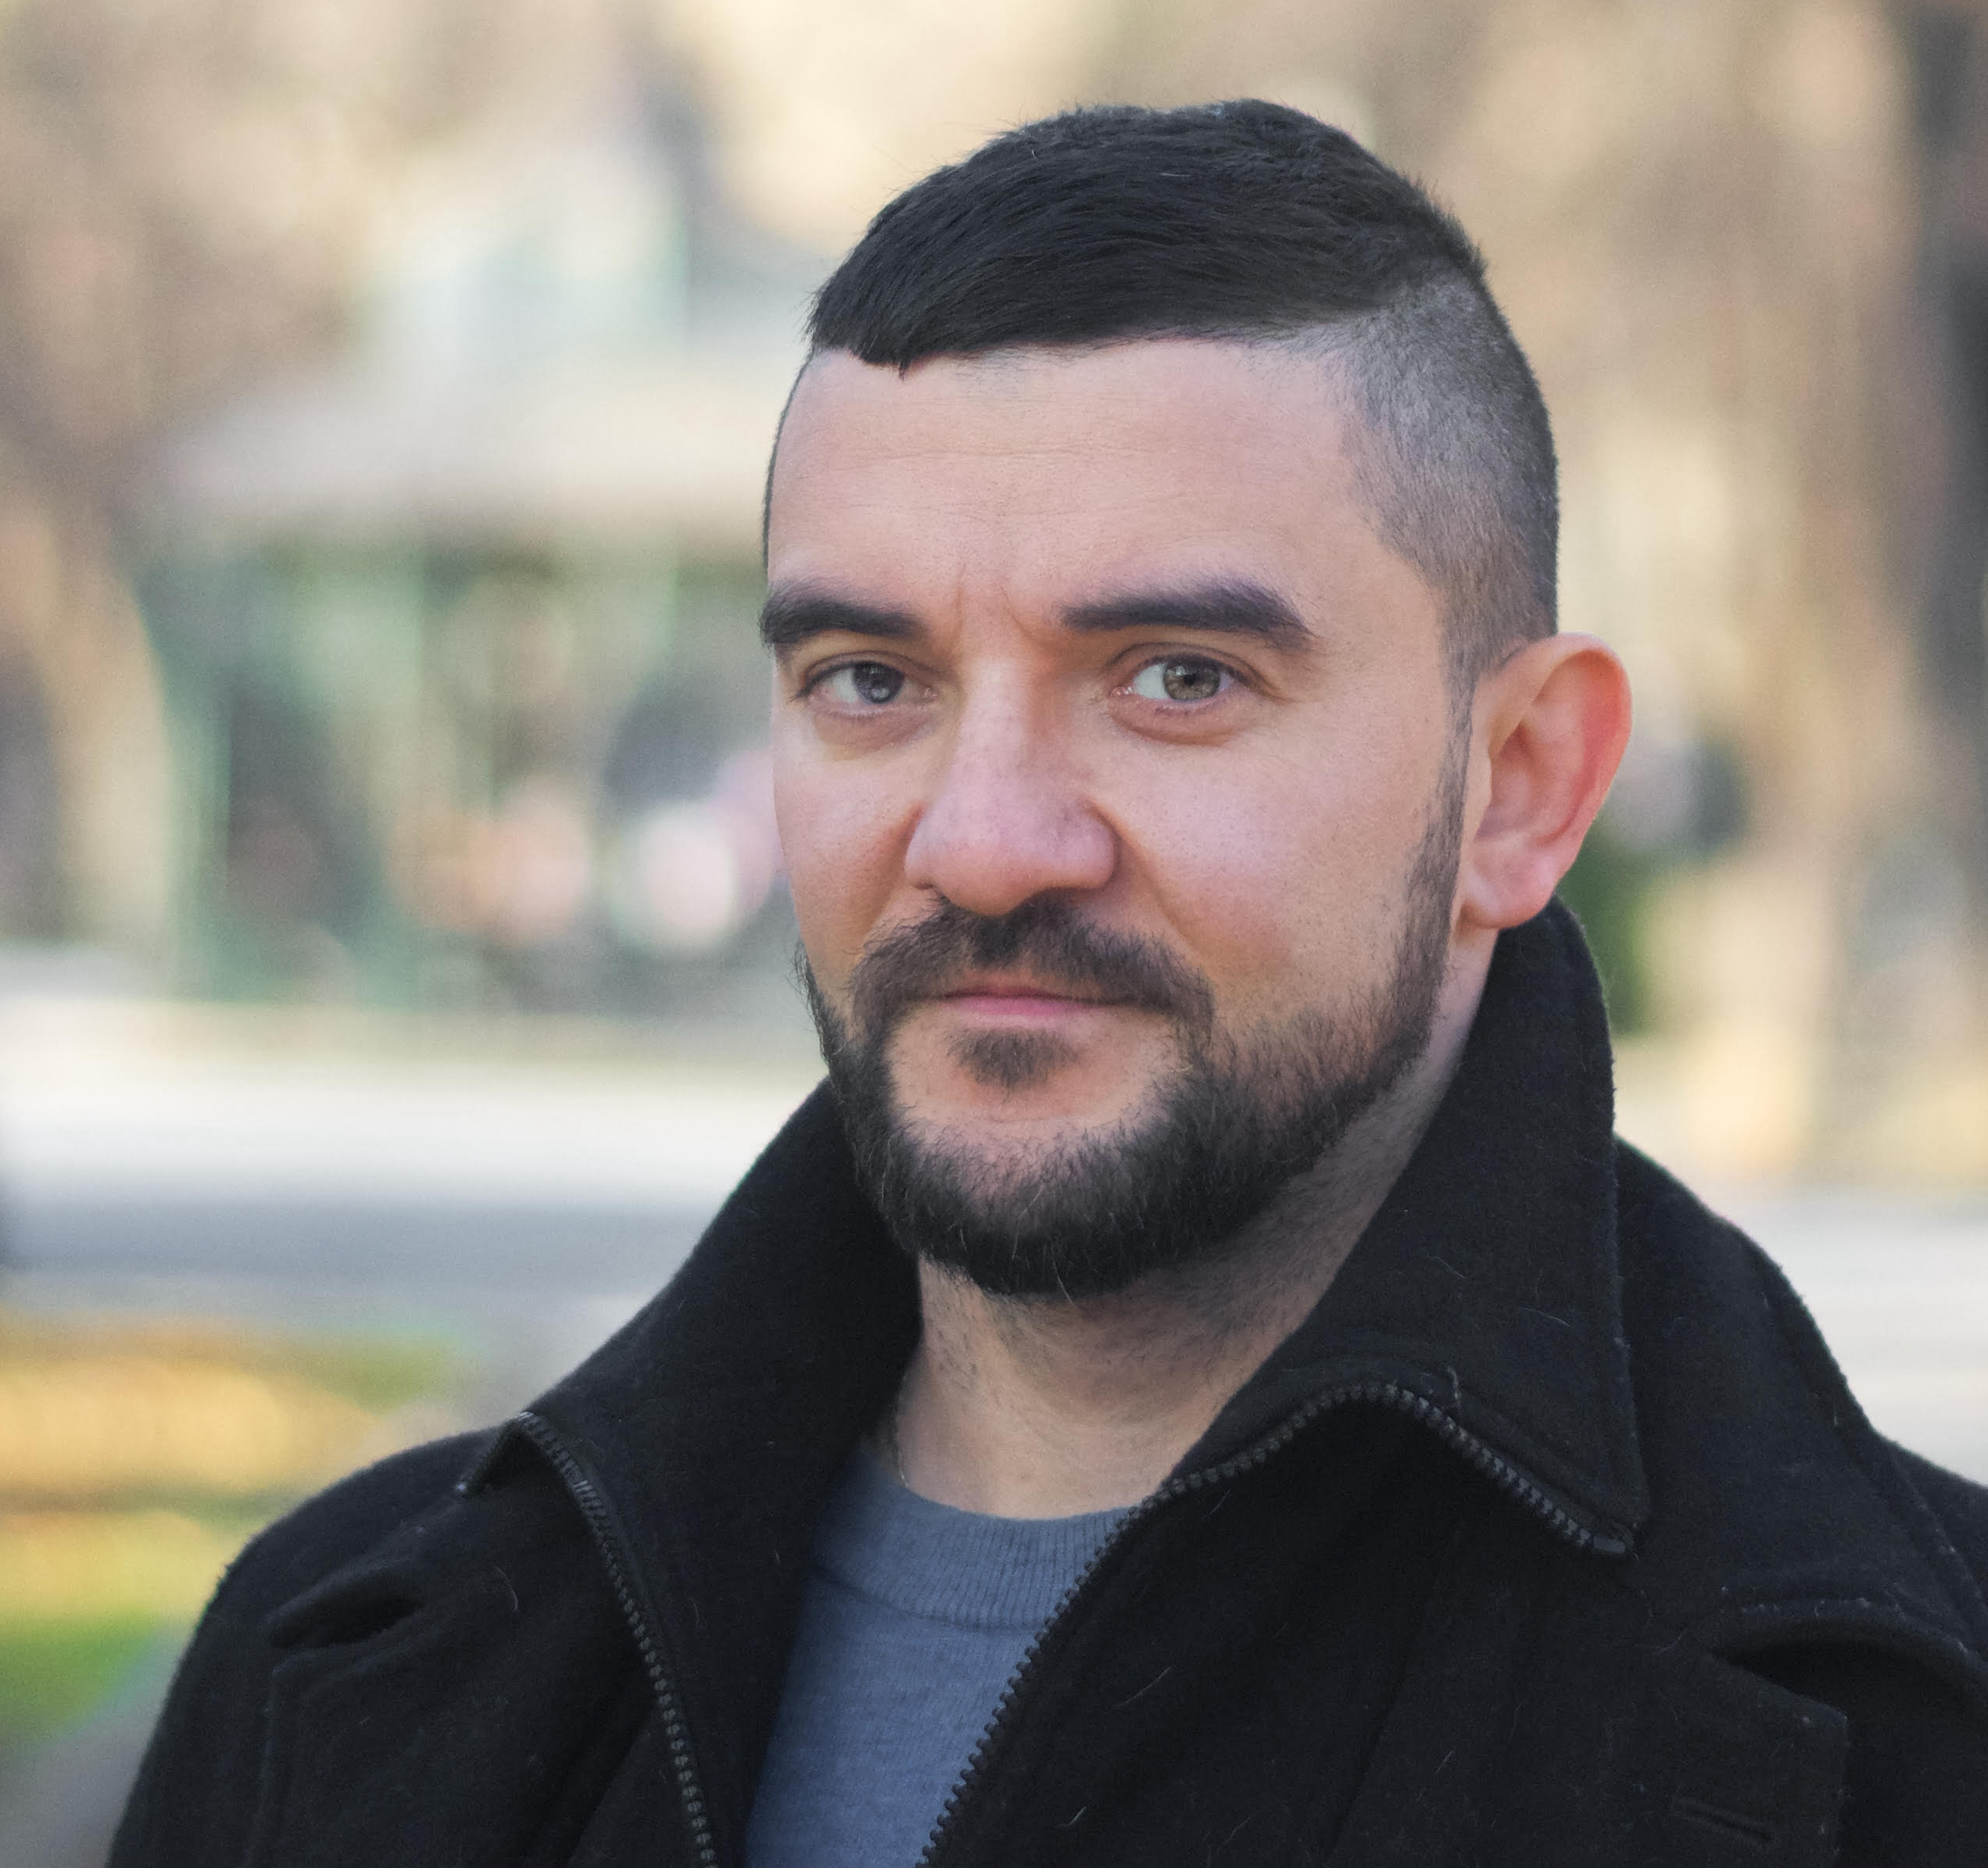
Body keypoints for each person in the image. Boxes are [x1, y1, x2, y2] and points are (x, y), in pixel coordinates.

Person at [113, 102, 1988, 1868]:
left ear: (1519, 787)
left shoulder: (1906, 1735)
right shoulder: (347, 1670)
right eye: (872, 680)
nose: (988, 843)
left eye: (1176, 678)